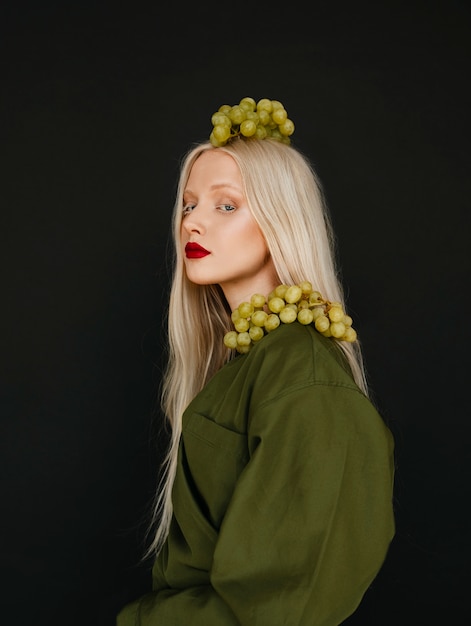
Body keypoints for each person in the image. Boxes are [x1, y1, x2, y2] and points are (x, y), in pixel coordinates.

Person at [117, 96, 395, 625]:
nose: (193, 224)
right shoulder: (248, 359)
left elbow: (283, 602)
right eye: (188, 204)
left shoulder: (302, 376)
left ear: (279, 220)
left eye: (226, 205)